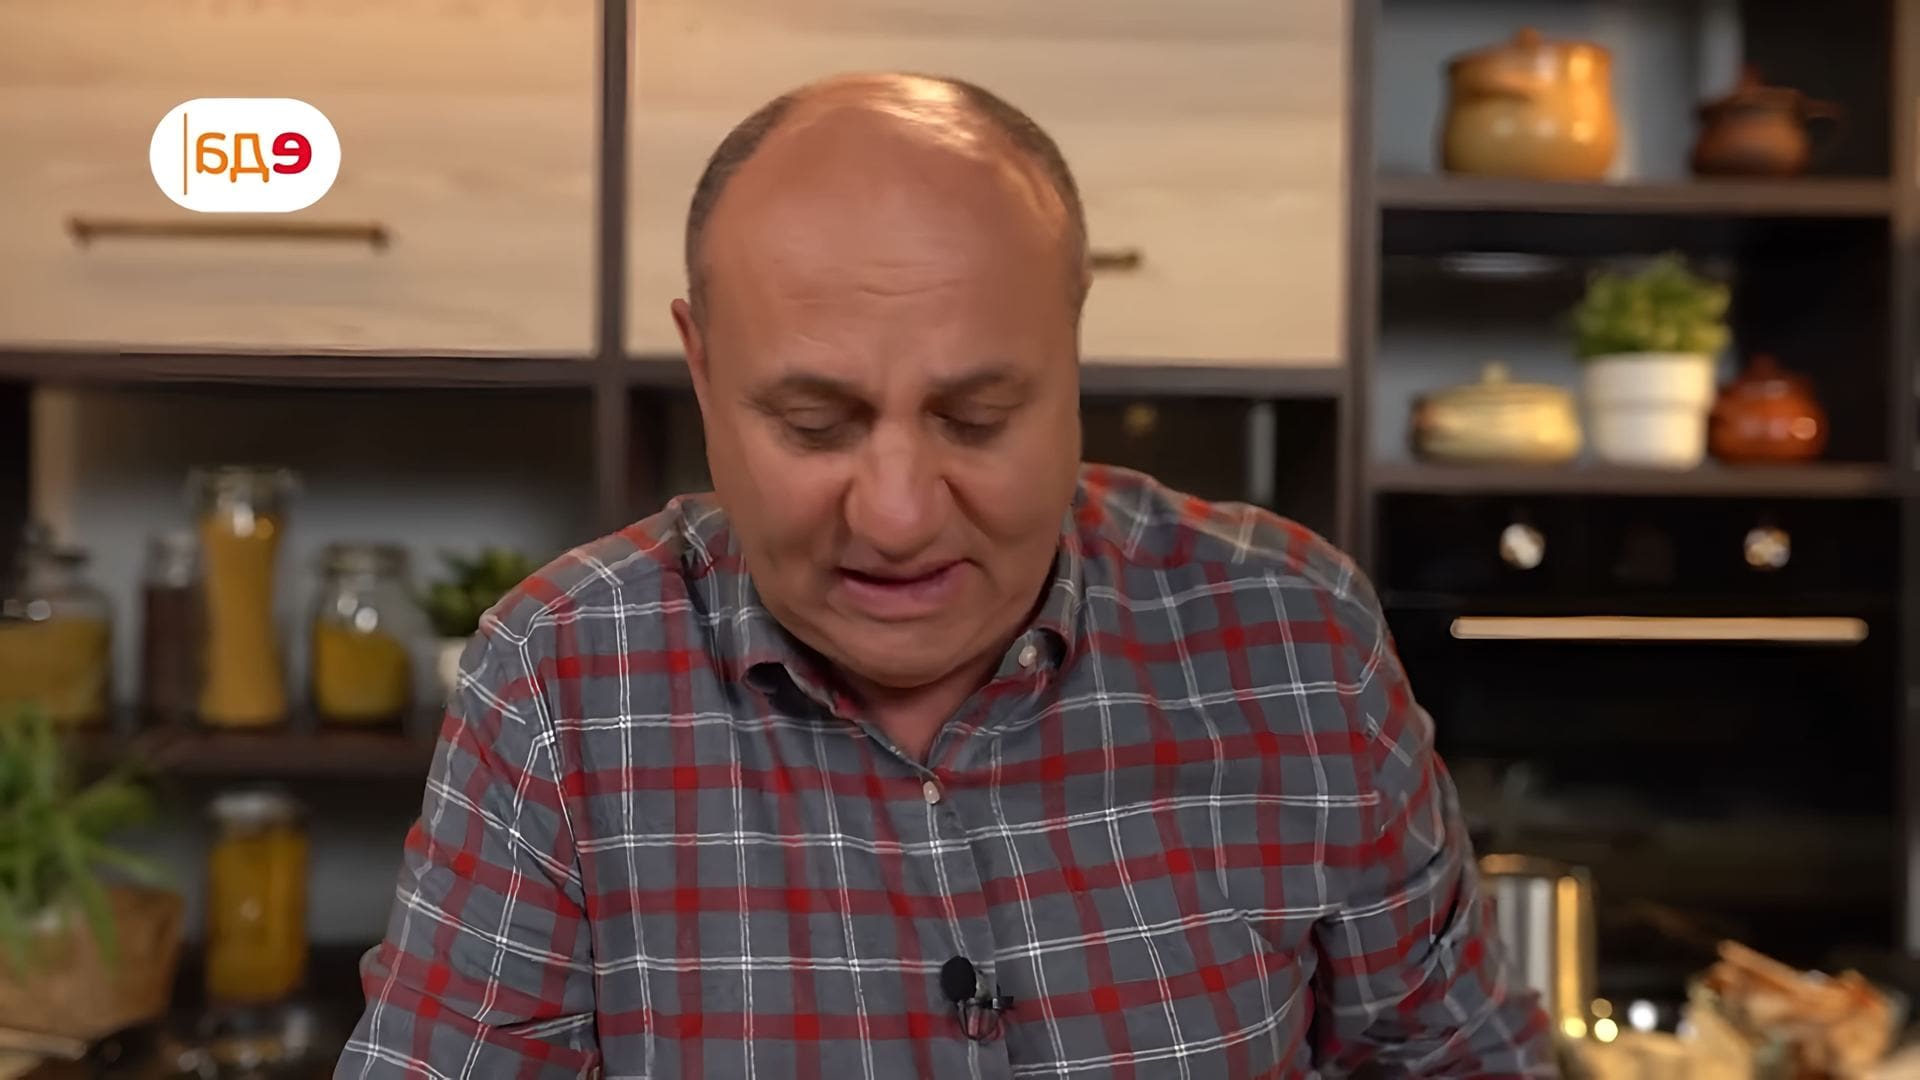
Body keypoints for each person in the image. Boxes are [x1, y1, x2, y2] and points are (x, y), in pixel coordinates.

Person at [337, 71, 1552, 1078]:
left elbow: (1460, 1057)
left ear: (1071, 351)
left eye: (977, 419)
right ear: (702, 370)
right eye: (814, 425)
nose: (900, 515)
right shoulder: (556, 679)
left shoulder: (1298, 638)